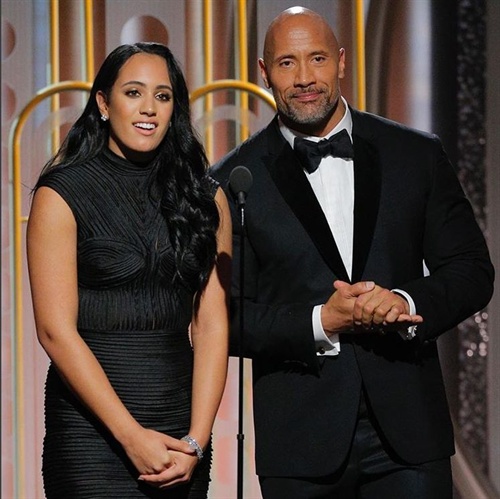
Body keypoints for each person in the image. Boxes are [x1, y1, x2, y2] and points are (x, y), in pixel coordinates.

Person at [211, 6, 494, 499]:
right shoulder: (234, 180)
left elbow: (472, 271)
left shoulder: (415, 155)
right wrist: (322, 320)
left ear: (341, 61)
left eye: (317, 59)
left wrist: (405, 301)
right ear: (263, 72)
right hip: (301, 443)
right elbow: (225, 318)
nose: (304, 78)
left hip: (410, 435)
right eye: (286, 63)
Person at [27, 42, 231, 498]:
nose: (148, 109)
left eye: (162, 96)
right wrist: (130, 435)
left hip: (180, 434)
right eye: (133, 92)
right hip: (90, 436)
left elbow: (213, 323)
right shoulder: (61, 194)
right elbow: (55, 331)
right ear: (103, 102)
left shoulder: (204, 197)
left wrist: (197, 440)